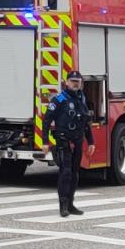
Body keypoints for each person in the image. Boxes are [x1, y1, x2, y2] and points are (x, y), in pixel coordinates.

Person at [41, 71, 95, 217]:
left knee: (75, 174)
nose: (75, 84)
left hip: (78, 141)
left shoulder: (82, 98)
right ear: (66, 82)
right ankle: (63, 206)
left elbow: (85, 121)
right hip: (63, 141)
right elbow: (46, 120)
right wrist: (45, 141)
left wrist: (91, 141)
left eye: (78, 81)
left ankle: (71, 204)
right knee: (65, 173)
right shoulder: (59, 99)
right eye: (73, 81)